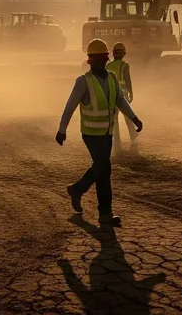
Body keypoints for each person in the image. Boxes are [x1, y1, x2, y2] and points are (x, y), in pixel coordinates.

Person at [56, 39, 143, 227]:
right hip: (90, 134)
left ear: (106, 59)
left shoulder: (111, 78)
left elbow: (121, 101)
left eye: (102, 59)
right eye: (96, 60)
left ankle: (78, 189)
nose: (100, 63)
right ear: (90, 61)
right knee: (104, 167)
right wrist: (62, 130)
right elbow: (70, 105)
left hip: (107, 133)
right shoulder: (83, 82)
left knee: (102, 167)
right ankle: (104, 213)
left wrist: (135, 119)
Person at [106, 43, 137, 152]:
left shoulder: (108, 66)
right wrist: (131, 92)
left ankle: (116, 142)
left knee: (114, 120)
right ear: (124, 54)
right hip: (123, 96)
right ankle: (134, 139)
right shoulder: (125, 65)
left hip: (112, 96)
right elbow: (128, 80)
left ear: (113, 53)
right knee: (128, 118)